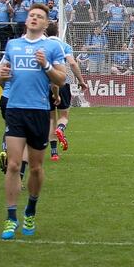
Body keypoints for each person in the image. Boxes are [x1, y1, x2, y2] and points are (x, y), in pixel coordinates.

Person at [0, 3, 67, 240]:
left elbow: (62, 79)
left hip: (38, 111)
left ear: (46, 23)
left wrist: (45, 65)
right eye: (32, 15)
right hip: (15, 109)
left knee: (36, 167)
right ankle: (10, 217)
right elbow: (1, 78)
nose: (34, 19)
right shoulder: (13, 45)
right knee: (14, 165)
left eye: (40, 17)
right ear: (26, 21)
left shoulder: (51, 46)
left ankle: (31, 210)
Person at [44, 22, 89, 162]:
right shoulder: (64, 46)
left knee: (51, 119)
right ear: (58, 33)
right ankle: (61, 128)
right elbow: (73, 63)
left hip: (44, 85)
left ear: (46, 33)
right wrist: (81, 81)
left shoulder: (41, 45)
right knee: (63, 116)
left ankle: (54, 153)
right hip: (62, 82)